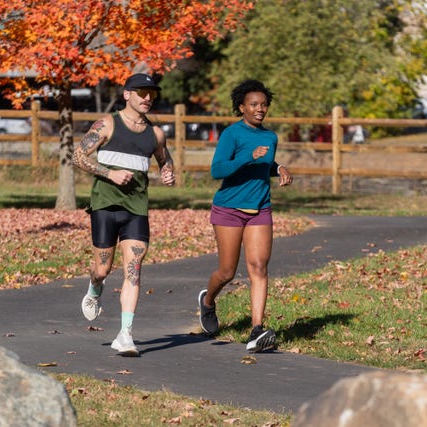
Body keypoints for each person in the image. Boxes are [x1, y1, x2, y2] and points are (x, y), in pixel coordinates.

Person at [72, 73, 175, 357]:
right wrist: (109, 174)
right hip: (105, 205)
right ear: (127, 94)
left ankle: (125, 335)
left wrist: (167, 171)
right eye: (141, 92)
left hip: (136, 210)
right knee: (103, 269)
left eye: (151, 93)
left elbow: (164, 157)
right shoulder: (107, 124)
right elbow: (78, 156)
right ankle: (95, 287)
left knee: (133, 271)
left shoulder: (155, 133)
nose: (147, 98)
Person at [197, 79, 293, 353]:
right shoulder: (232, 134)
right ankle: (208, 302)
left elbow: (265, 162)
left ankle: (257, 330)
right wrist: (247, 157)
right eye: (253, 104)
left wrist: (280, 168)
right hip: (229, 208)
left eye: (263, 104)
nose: (259, 109)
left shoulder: (270, 137)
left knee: (259, 267)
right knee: (227, 271)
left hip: (260, 207)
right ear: (242, 107)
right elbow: (217, 170)